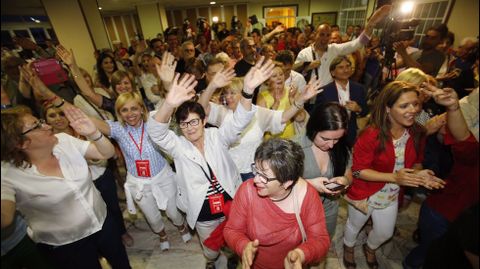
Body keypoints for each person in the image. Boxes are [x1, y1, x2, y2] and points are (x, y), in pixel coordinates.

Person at [146, 54, 274, 268]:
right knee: (211, 250)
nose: (190, 127)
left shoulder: (218, 137)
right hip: (202, 211)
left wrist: (248, 90)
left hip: (230, 203)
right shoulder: (178, 146)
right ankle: (213, 260)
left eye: (194, 121)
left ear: (204, 120)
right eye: (184, 124)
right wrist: (169, 102)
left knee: (234, 239)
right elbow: (156, 133)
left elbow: (239, 121)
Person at [1, 105, 131, 269]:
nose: (47, 126)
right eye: (37, 126)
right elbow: (5, 218)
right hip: (66, 245)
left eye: (41, 121)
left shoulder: (64, 140)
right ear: (20, 143)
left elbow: (107, 153)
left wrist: (93, 133)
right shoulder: (8, 175)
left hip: (103, 223)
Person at [342, 81, 446, 269]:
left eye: (415, 104)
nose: (413, 110)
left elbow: (416, 162)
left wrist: (419, 174)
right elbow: (357, 171)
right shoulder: (371, 134)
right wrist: (394, 177)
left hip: (390, 194)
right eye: (404, 105)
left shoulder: (417, 132)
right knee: (354, 226)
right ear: (388, 108)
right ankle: (348, 247)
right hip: (364, 193)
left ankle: (370, 247)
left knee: (385, 233)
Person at [223, 138, 330, 269]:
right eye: (256, 170)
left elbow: (320, 240)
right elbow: (232, 230)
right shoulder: (247, 191)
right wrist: (243, 245)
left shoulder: (308, 196)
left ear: (287, 183)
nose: (256, 179)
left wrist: (301, 254)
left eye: (265, 176)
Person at [403, 86, 479, 269]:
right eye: (408, 103)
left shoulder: (429, 111)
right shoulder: (419, 116)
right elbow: (409, 141)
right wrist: (426, 130)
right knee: (428, 253)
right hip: (441, 209)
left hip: (438, 172)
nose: (412, 107)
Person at [199, 71, 322, 181]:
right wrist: (212, 86)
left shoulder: (258, 113)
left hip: (252, 173)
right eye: (226, 93)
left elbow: (283, 117)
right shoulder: (223, 112)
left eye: (233, 93)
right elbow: (200, 108)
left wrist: (301, 99)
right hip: (227, 172)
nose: (228, 97)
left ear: (244, 93)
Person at [42, 104, 134, 247]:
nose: (58, 119)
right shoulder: (47, 143)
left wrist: (92, 156)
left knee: (112, 208)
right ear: (46, 121)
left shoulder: (83, 130)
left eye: (61, 114)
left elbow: (103, 154)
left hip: (100, 177)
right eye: (52, 115)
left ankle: (122, 233)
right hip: (75, 188)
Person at [294, 5, 391, 111]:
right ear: (315, 35)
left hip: (329, 96)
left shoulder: (334, 49)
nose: (325, 38)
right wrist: (306, 66)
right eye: (321, 34)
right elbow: (294, 72)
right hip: (310, 99)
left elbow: (358, 43)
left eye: (328, 35)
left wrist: (372, 23)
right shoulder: (305, 53)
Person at [297, 103, 352, 240]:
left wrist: (345, 180)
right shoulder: (293, 147)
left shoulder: (342, 148)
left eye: (337, 139)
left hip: (329, 209)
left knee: (321, 244)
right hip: (298, 211)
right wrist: (309, 184)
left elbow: (348, 172)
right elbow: (279, 182)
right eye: (325, 139)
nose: (331, 145)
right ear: (313, 128)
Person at [314, 56, 367, 147]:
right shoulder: (324, 91)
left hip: (351, 134)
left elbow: (366, 110)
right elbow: (316, 113)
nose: (345, 70)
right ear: (333, 72)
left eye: (347, 66)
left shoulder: (359, 88)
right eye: (341, 67)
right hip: (331, 135)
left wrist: (358, 108)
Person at [256, 63, 307, 139]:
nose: (279, 78)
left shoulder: (292, 91)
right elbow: (262, 125)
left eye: (281, 74)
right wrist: (274, 106)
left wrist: (292, 100)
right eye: (274, 76)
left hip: (291, 140)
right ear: (267, 81)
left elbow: (301, 118)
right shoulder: (262, 97)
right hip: (271, 142)